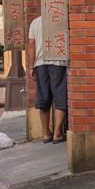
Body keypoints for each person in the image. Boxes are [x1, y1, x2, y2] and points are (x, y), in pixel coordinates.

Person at [28, 15, 68, 144]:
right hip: (58, 62)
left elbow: (31, 44)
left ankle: (46, 134)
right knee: (60, 96)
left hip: (40, 63)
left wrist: (30, 66)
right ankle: (57, 133)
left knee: (43, 97)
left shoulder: (35, 22)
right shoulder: (62, 18)